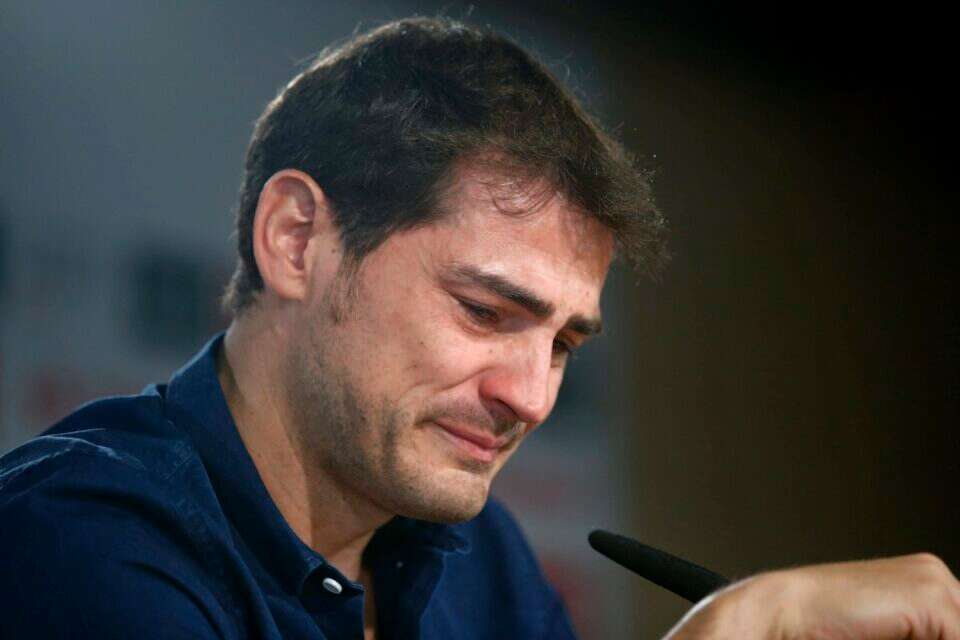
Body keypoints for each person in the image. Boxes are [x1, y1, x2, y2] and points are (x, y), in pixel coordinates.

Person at [0, 16, 957, 640]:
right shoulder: (75, 540)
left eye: (563, 344)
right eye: (486, 311)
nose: (530, 397)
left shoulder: (482, 558)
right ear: (297, 241)